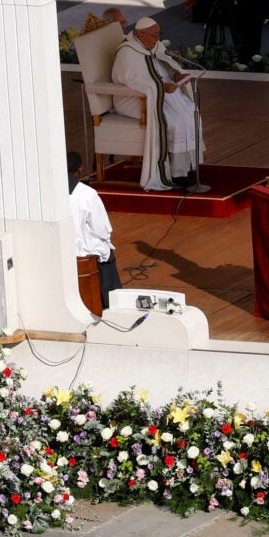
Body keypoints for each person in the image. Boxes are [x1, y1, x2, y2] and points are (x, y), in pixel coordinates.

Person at [111, 18, 203, 194]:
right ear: (140, 34)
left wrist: (176, 75)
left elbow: (165, 65)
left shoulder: (152, 45)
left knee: (191, 113)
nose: (157, 39)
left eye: (158, 35)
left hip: (159, 94)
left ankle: (187, 169)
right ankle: (174, 174)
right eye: (154, 35)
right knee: (174, 122)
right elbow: (131, 80)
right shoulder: (128, 52)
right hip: (133, 99)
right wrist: (161, 87)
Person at [70, 175, 116, 317]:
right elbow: (101, 229)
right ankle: (111, 305)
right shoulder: (88, 194)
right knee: (107, 255)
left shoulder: (51, 190)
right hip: (86, 252)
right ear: (80, 169)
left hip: (66, 249)